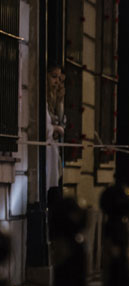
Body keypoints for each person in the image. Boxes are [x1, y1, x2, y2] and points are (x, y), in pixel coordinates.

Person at [45, 65, 66, 200]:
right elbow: (44, 127)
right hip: (46, 156)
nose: (57, 82)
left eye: (60, 78)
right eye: (54, 77)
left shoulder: (56, 101)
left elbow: (61, 121)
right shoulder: (43, 101)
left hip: (54, 153)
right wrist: (56, 129)